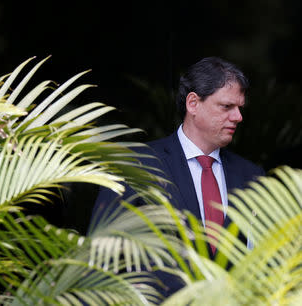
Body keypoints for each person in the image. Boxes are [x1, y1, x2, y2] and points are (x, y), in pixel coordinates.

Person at [90, 56, 266, 296]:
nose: (238, 117)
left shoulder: (251, 175)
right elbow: (100, 257)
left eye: (239, 108)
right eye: (227, 107)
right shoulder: (136, 164)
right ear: (193, 103)